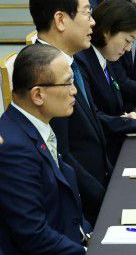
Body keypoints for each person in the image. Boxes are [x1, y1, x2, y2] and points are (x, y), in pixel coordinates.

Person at [28, 0, 136, 223]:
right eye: (87, 13)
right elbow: (62, 156)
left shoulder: (69, 62)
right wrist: (108, 200)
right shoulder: (44, 74)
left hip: (100, 182)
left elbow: (91, 126)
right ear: (60, 20)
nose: (93, 23)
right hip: (84, 207)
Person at [0, 44, 91, 254]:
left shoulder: (36, 124)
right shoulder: (14, 149)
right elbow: (34, 236)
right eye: (68, 83)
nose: (74, 90)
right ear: (38, 95)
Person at [74, 0, 136, 162]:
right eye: (127, 40)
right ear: (107, 31)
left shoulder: (105, 57)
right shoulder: (82, 62)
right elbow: (92, 119)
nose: (128, 48)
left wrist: (124, 118)